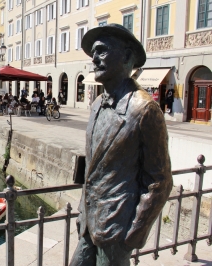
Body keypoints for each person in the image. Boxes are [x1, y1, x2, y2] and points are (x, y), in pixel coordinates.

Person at [69, 24, 172, 266]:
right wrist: (83, 213)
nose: (94, 59)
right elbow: (94, 167)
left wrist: (134, 234)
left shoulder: (144, 110)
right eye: (93, 53)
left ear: (126, 57)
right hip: (89, 224)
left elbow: (159, 182)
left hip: (118, 228)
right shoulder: (95, 106)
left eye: (102, 51)